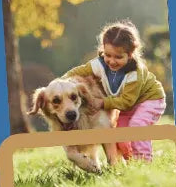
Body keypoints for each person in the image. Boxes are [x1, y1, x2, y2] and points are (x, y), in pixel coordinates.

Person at [65, 20, 166, 161]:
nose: (112, 61)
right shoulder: (100, 64)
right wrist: (62, 83)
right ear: (103, 50)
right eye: (108, 55)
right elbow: (80, 71)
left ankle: (144, 161)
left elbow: (126, 101)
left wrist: (102, 103)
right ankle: (131, 159)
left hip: (149, 100)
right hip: (126, 106)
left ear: (130, 54)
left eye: (118, 57)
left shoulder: (134, 72)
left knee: (137, 124)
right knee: (120, 136)